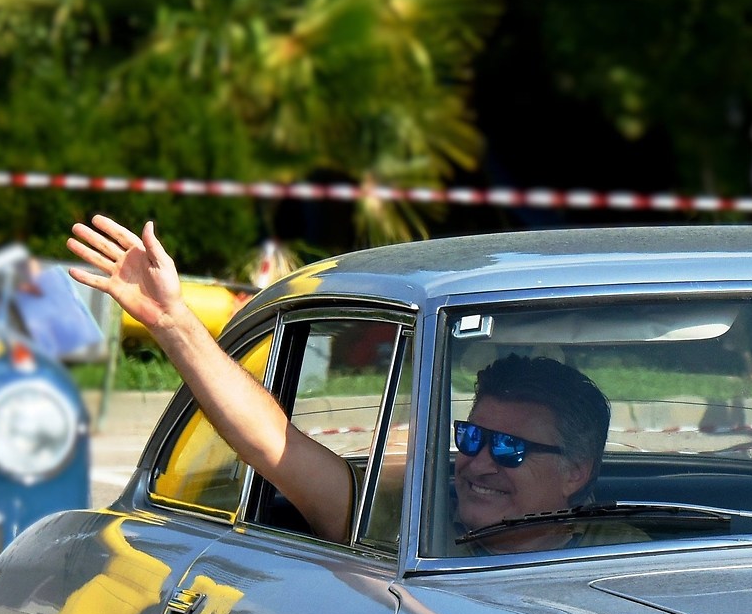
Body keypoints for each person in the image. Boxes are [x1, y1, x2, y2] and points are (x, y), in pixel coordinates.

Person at [65, 214, 616, 554]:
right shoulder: (404, 528)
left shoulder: (636, 552)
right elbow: (272, 445)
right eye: (471, 438)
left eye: (510, 449)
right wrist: (175, 323)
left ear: (575, 472)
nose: (479, 463)